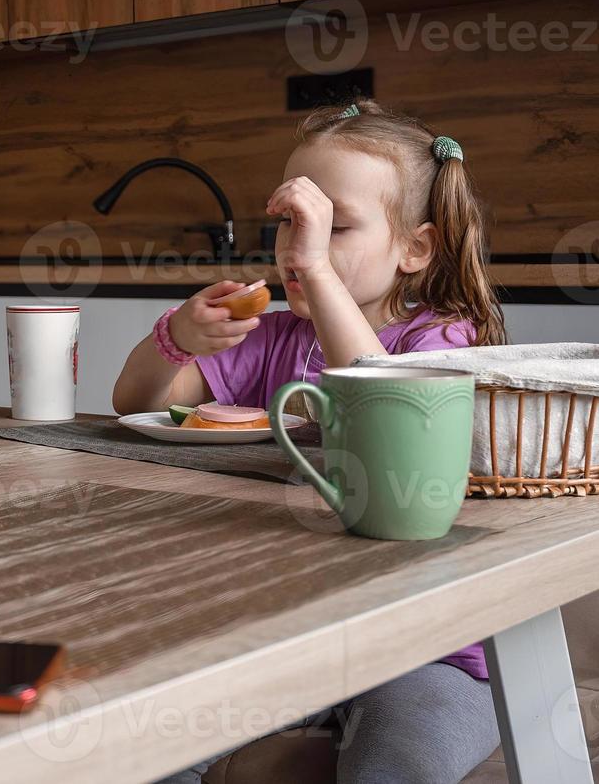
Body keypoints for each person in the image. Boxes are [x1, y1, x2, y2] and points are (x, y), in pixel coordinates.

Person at [113, 100, 506, 783]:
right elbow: (138, 404)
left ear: (416, 248)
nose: (301, 248)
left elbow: (386, 404)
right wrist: (179, 337)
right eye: (292, 225)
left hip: (430, 649)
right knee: (146, 750)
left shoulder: (442, 337)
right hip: (292, 637)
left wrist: (317, 275)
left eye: (333, 229)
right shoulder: (271, 336)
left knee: (397, 766)